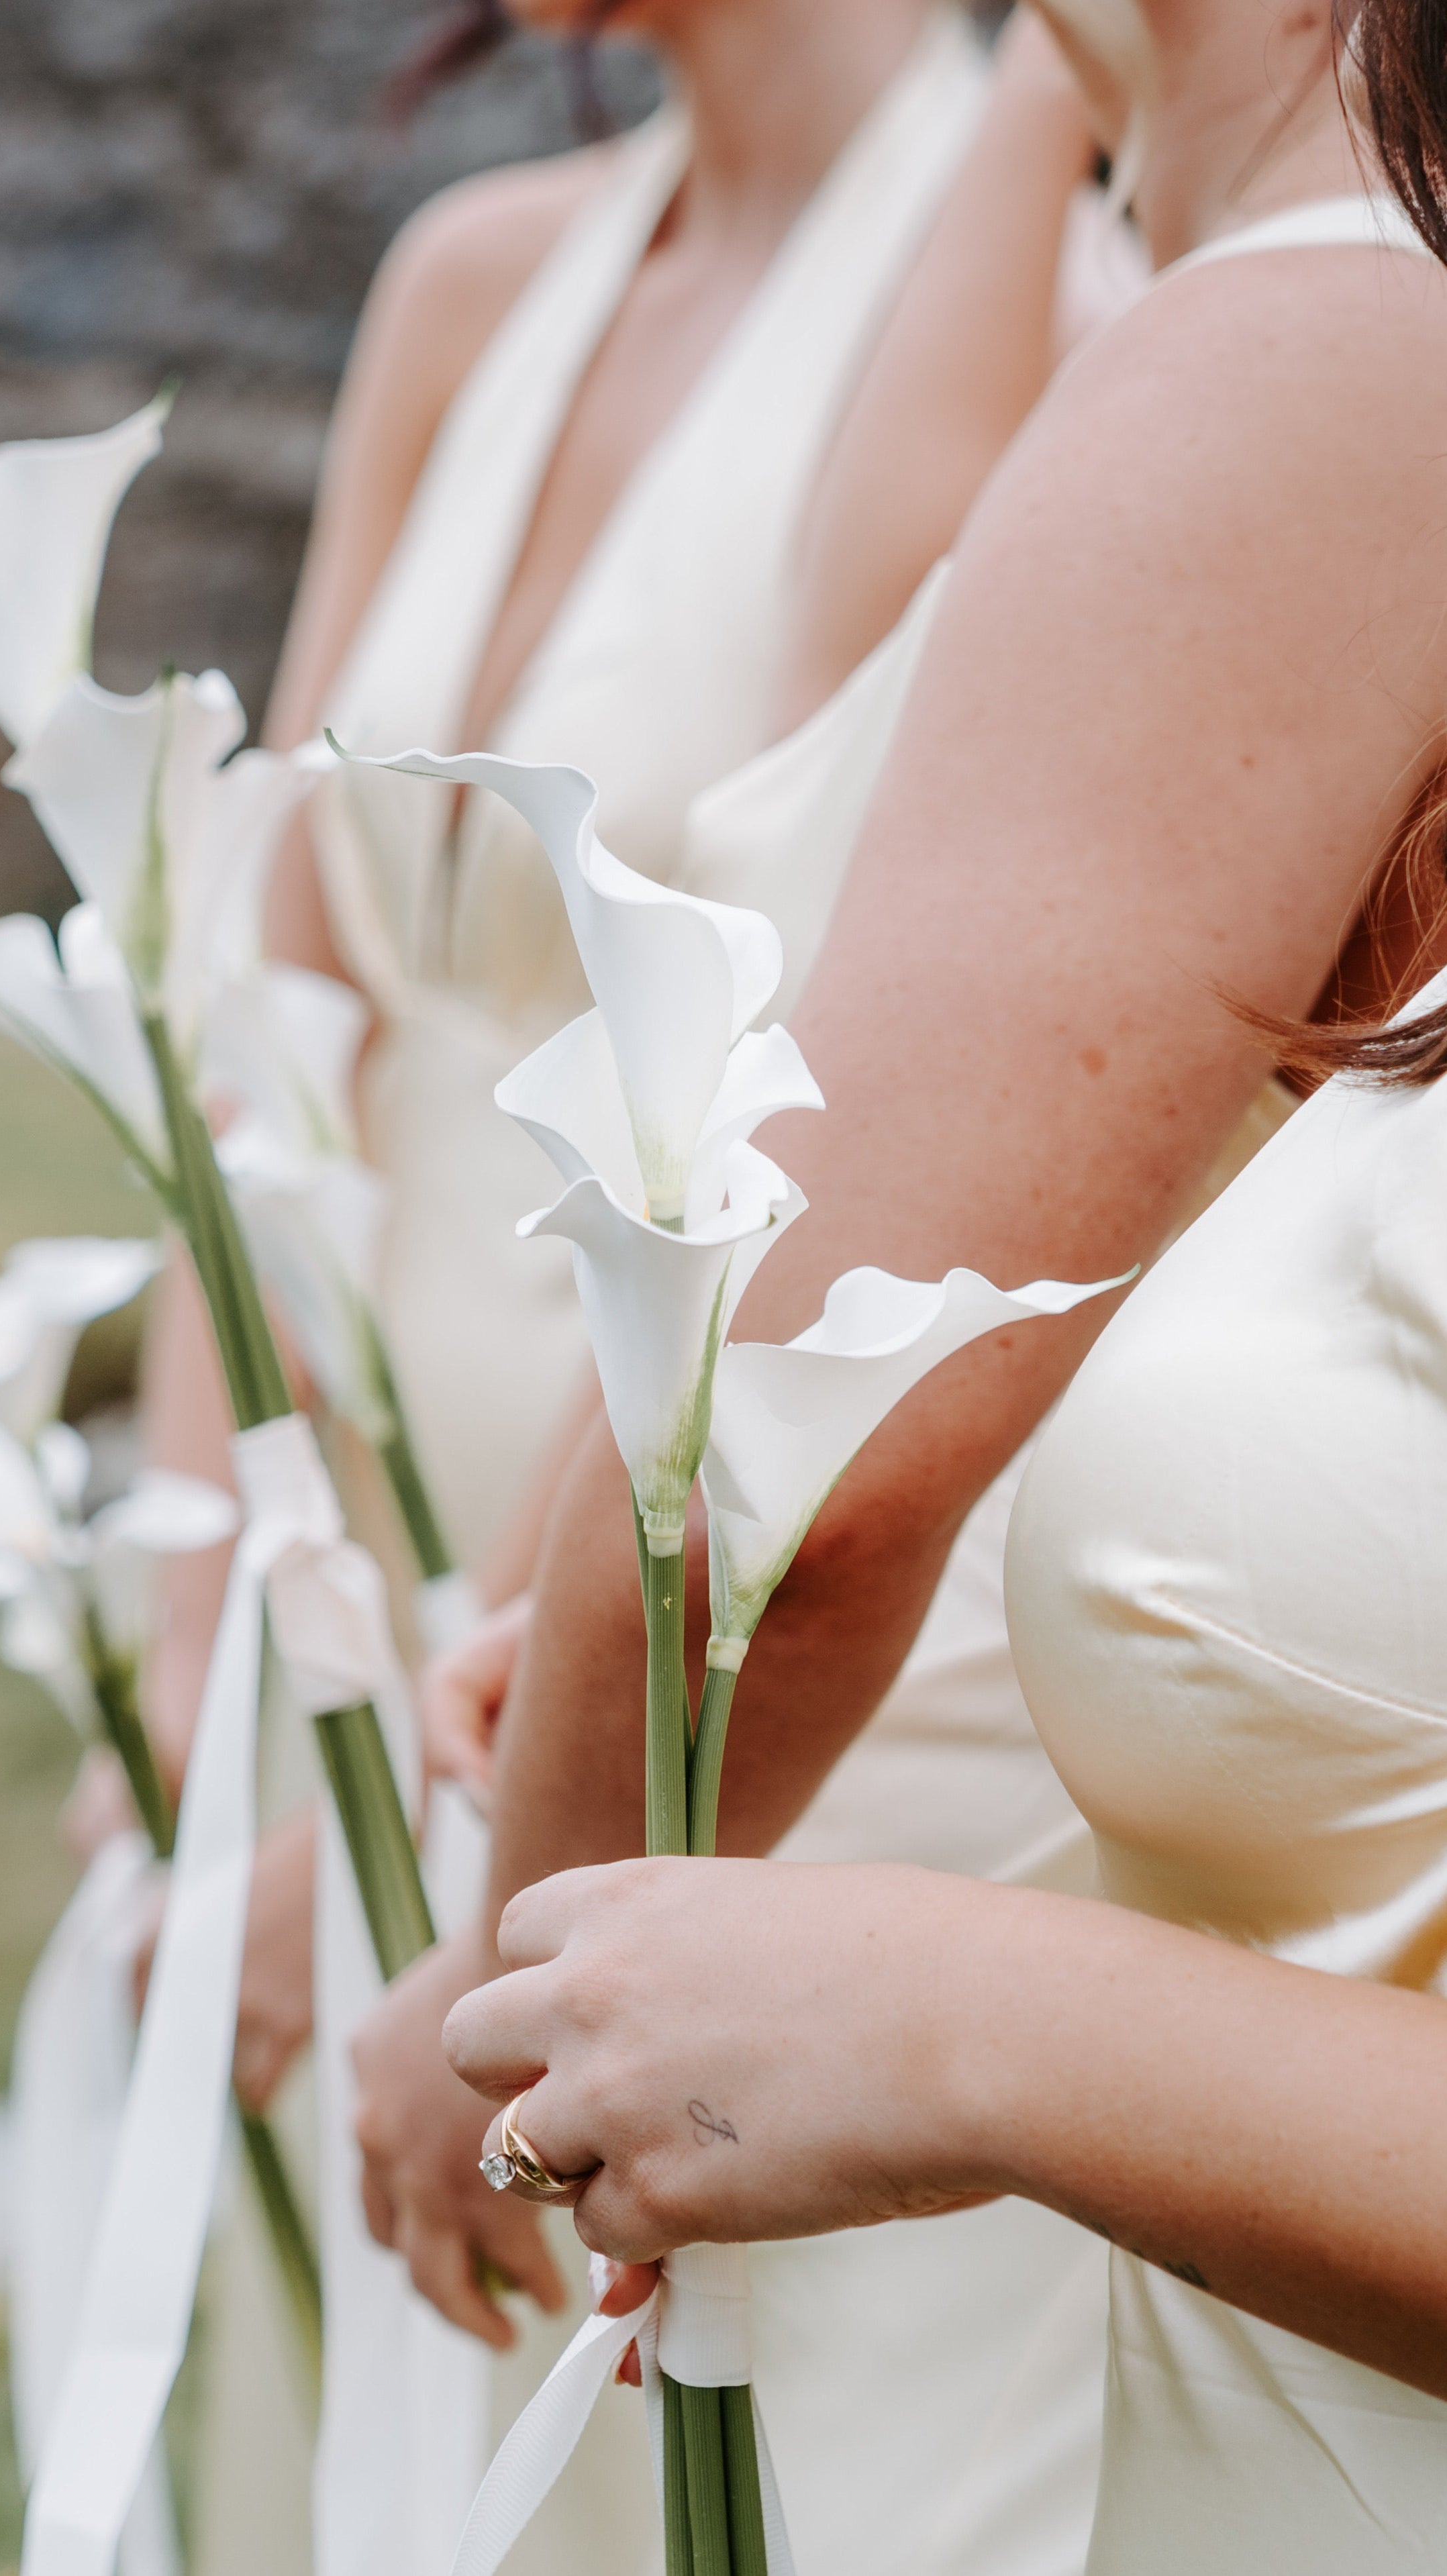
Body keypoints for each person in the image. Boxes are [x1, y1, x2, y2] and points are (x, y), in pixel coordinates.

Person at [352, 0, 1447, 2567]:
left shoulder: (1312, 350)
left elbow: (811, 1461)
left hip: (869, 1915)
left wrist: (532, 1951)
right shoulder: (1229, 301)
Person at [128, 5, 1127, 2569]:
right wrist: (216, 1688)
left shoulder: (1066, 265)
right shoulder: (477, 283)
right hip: (346, 1623)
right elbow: (261, 1024)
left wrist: (484, 1761)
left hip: (712, 1641)